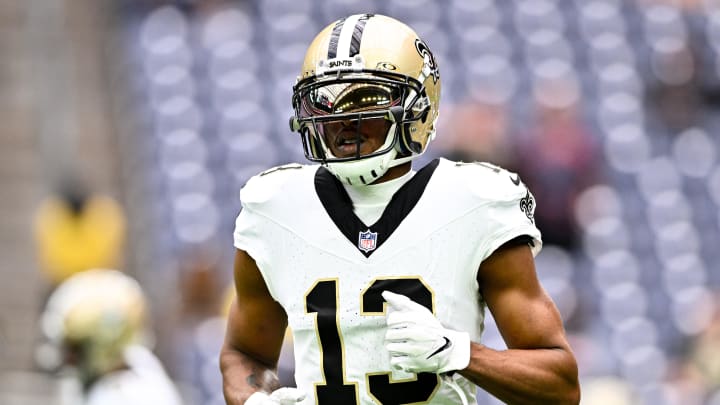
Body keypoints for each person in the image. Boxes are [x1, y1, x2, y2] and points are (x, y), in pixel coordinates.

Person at [220, 14, 580, 405]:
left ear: (417, 108)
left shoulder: (476, 202)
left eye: (365, 99)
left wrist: (457, 353)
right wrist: (256, 399)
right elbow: (244, 354)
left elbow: (559, 386)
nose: (342, 119)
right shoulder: (275, 207)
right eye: (324, 101)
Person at [40, 268, 184, 405]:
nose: (69, 361)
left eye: (74, 350)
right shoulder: (143, 369)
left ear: (98, 346)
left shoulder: (116, 397)